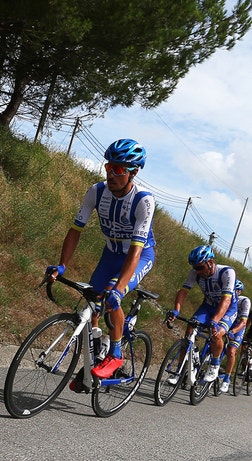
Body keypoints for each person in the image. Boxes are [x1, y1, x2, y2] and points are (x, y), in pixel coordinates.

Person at [46, 139, 155, 385]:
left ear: (133, 172)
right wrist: (62, 265)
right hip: (110, 254)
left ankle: (116, 354)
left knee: (112, 295)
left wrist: (119, 288)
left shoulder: (143, 200)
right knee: (92, 302)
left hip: (139, 256)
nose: (111, 174)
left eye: (119, 169)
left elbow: (136, 251)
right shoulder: (96, 191)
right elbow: (75, 230)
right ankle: (94, 360)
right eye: (108, 167)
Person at [166, 245, 239, 385]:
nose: (197, 271)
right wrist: (176, 310)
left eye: (200, 267)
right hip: (208, 306)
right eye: (195, 268)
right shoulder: (195, 272)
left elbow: (226, 300)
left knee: (216, 334)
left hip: (228, 309)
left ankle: (215, 364)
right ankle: (179, 371)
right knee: (190, 329)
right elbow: (183, 291)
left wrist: (215, 321)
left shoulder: (227, 272)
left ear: (210, 262)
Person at [219, 279, 249, 393]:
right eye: (233, 289)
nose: (234, 292)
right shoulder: (227, 297)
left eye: (237, 290)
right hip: (228, 323)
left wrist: (233, 331)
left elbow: (244, 322)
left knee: (231, 351)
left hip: (238, 327)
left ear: (240, 292)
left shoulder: (244, 301)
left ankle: (227, 379)